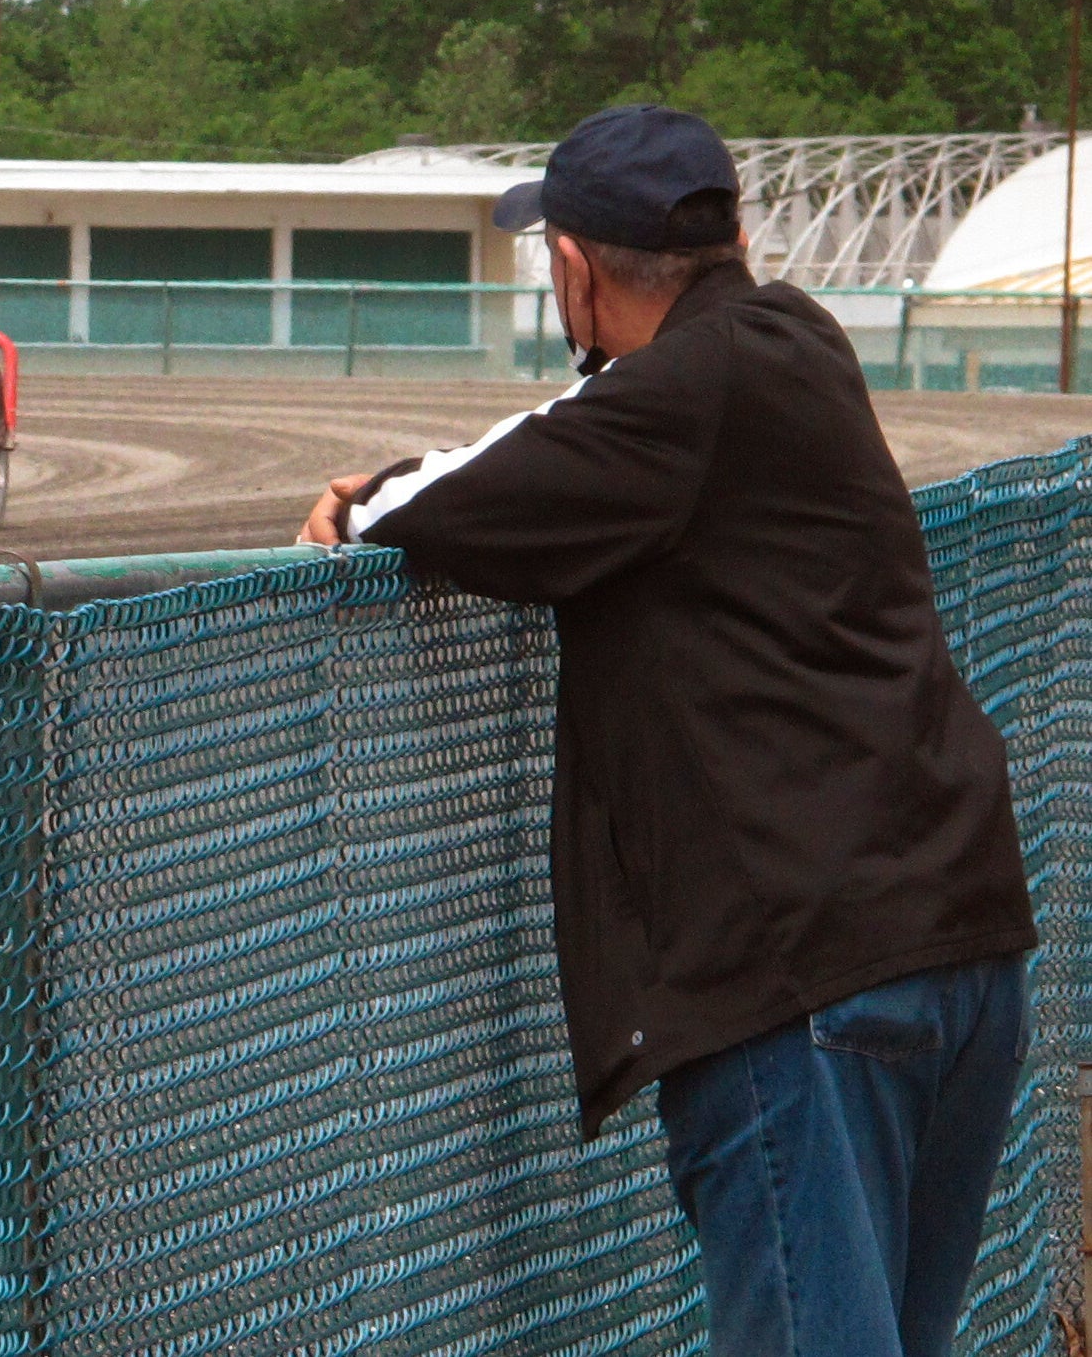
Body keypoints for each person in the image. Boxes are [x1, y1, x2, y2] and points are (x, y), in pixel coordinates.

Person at [296, 104, 1033, 1357]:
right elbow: (579, 437)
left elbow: (456, 499)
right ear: (733, 234)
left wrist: (362, 494)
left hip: (798, 976)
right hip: (959, 937)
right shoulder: (795, 338)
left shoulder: (673, 396)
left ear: (572, 267)